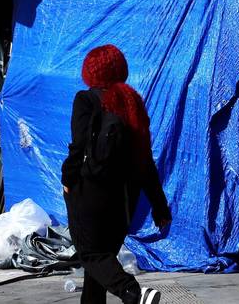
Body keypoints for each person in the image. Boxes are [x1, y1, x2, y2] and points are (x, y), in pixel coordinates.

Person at [62, 45, 171, 304]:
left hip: (90, 193)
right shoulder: (132, 103)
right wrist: (159, 205)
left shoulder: (85, 100)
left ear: (90, 71)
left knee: (90, 255)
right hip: (124, 200)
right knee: (97, 271)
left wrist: (67, 180)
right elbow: (145, 160)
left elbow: (77, 147)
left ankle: (132, 292)